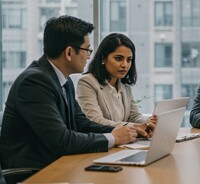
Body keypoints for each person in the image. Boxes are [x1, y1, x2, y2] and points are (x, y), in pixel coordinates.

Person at [0, 15, 147, 172]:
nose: (89, 56)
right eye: (87, 50)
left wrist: (126, 132)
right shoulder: (34, 82)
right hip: (32, 171)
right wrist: (114, 138)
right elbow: (62, 140)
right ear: (69, 52)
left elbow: (82, 124)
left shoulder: (64, 80)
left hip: (57, 163)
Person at [77, 33, 156, 133]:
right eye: (119, 58)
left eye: (129, 60)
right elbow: (95, 121)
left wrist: (149, 122)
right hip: (102, 143)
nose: (125, 65)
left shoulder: (125, 86)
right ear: (103, 58)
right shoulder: (87, 82)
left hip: (124, 142)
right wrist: (135, 126)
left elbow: (134, 116)